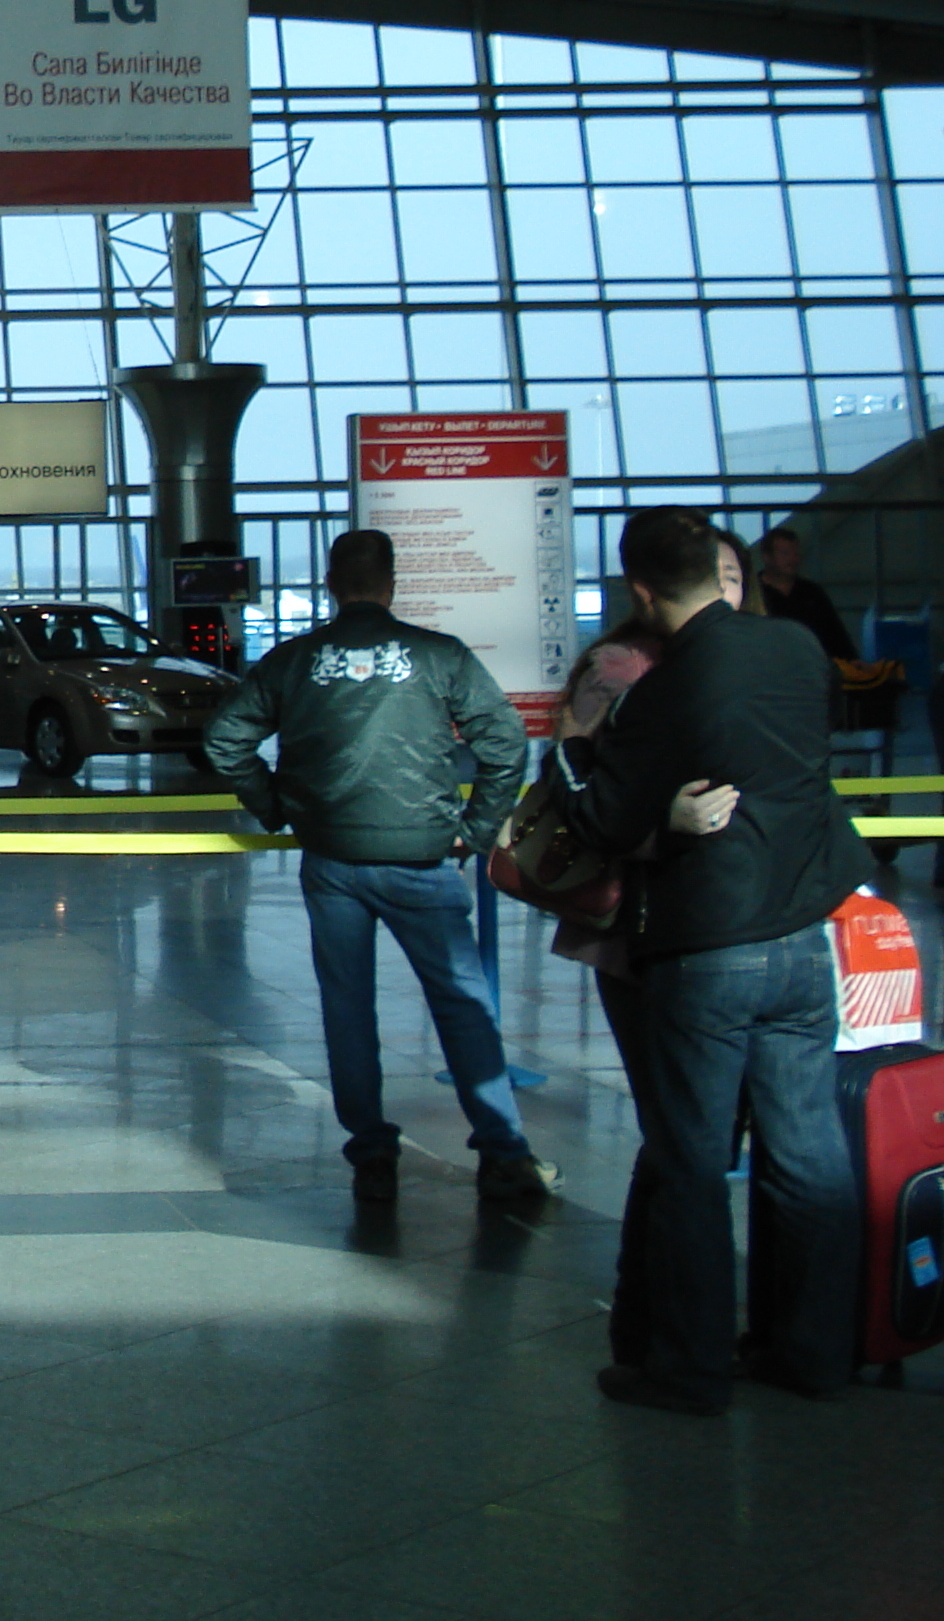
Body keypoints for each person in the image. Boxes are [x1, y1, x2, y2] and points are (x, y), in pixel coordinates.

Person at [552, 505, 868, 1415]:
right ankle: (812, 1350)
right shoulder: (799, 653)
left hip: (709, 949)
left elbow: (604, 818)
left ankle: (687, 1366)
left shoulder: (666, 688)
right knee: (808, 1153)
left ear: (642, 590)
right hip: (803, 940)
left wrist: (572, 760)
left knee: (691, 1160)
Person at [202, 529, 552, 1204]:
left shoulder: (294, 660)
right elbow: (505, 740)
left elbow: (225, 740)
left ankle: (371, 1153)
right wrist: (475, 831)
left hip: (331, 859)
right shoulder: (437, 655)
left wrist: (275, 804)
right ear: (392, 585)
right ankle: (503, 1151)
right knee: (461, 1005)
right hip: (422, 859)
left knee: (348, 1008)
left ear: (331, 585)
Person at [754, 526, 856, 661]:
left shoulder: (812, 593)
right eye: (785, 553)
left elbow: (835, 635)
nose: (792, 559)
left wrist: (851, 662)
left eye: (795, 553)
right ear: (767, 557)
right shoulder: (753, 594)